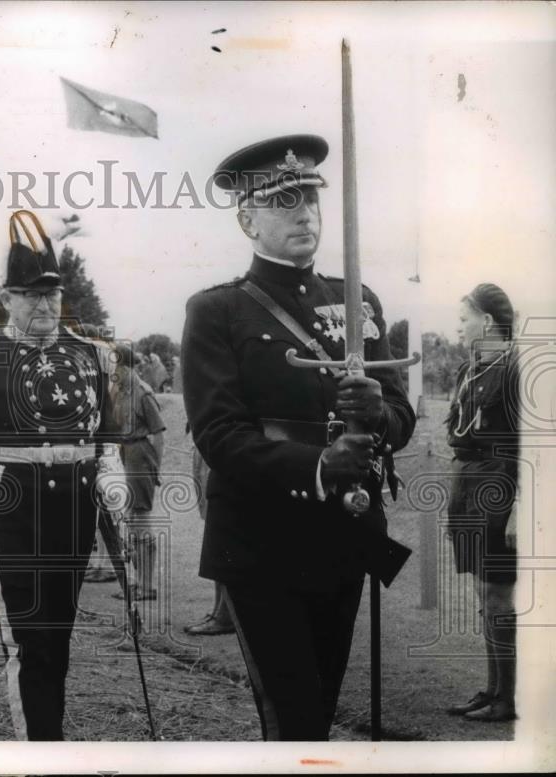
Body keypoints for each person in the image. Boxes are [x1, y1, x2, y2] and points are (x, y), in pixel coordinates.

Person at [182, 135, 416, 741]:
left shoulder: (357, 299)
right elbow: (218, 435)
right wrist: (318, 463)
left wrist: (379, 413)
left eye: (311, 198)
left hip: (343, 533)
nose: (304, 213)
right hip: (262, 543)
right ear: (247, 218)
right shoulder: (219, 311)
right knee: (294, 721)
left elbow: (401, 417)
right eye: (284, 200)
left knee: (323, 704)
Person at [0, 211, 120, 741]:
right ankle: (42, 744)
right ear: (8, 299)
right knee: (27, 637)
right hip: (9, 510)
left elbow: (105, 434)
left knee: (57, 633)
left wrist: (111, 474)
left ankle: (47, 732)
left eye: (52, 295)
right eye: (30, 295)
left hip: (75, 509)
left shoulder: (90, 355)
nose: (44, 305)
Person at [445, 283, 520, 723]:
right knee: (482, 589)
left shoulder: (516, 369)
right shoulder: (468, 370)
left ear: (487, 322)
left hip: (501, 484)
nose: (459, 327)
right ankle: (492, 690)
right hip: (468, 480)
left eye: (464, 318)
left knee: (498, 595)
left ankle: (507, 698)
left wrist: (522, 510)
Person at [108, 342, 166, 602]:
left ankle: (148, 585)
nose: (113, 372)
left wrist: (155, 467)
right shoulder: (119, 391)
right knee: (130, 522)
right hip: (125, 455)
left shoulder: (142, 393)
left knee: (141, 521)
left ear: (125, 365)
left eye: (115, 366)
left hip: (140, 456)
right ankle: (139, 583)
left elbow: (158, 433)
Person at [183, 439, 235, 636]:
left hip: (222, 452)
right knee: (215, 532)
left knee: (223, 536)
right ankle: (219, 610)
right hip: (207, 449)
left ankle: (225, 614)